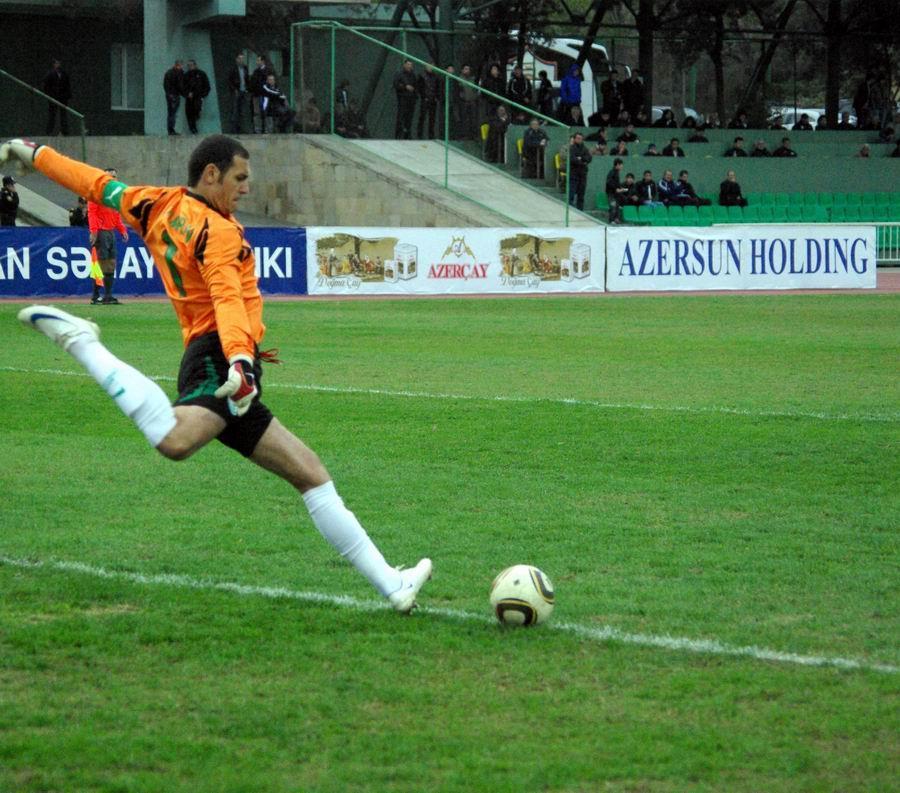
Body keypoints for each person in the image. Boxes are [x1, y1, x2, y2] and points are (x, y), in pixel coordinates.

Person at [4, 134, 433, 613]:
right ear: (211, 174)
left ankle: (392, 584)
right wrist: (241, 361)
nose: (246, 188)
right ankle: (82, 343)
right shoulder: (219, 231)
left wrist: (35, 154)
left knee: (309, 473)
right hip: (219, 359)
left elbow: (96, 185)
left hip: (212, 354)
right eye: (240, 178)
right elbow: (227, 298)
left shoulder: (156, 203)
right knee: (175, 439)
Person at [87, 167, 129, 305]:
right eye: (109, 176)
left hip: (110, 232)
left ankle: (108, 295)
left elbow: (116, 215)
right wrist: (94, 231)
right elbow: (92, 213)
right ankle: (96, 295)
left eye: (114, 176)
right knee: (100, 263)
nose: (112, 179)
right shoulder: (96, 194)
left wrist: (122, 229)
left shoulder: (114, 196)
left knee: (111, 263)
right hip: (101, 232)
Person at [42, 59, 72, 136]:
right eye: (56, 63)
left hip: (63, 98)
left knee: (63, 115)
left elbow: (67, 86)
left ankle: (65, 132)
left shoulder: (64, 74)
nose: (58, 65)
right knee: (52, 115)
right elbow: (46, 85)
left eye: (59, 63)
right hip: (53, 98)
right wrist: (49, 95)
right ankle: (49, 132)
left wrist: (67, 96)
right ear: (53, 65)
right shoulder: (50, 74)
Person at [183, 60, 211, 135]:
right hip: (189, 98)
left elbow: (207, 86)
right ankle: (192, 128)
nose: (190, 67)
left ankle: (196, 117)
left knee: (196, 109)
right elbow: (183, 87)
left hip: (198, 96)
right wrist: (187, 94)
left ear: (195, 65)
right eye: (188, 65)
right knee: (189, 113)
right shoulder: (186, 75)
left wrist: (203, 94)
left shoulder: (201, 74)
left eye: (191, 65)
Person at [567, 131, 592, 211]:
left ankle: (580, 211)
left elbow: (589, 158)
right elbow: (572, 159)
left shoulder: (585, 148)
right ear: (574, 139)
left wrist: (581, 158)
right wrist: (583, 161)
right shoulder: (571, 148)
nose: (579, 140)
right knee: (571, 194)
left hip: (583, 174)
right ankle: (570, 210)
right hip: (574, 174)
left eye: (581, 138)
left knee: (581, 195)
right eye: (578, 138)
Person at [393, 59, 417, 139]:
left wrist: (414, 95)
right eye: (408, 64)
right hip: (402, 98)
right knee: (401, 117)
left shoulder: (413, 75)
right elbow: (396, 84)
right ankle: (398, 135)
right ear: (404, 65)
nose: (409, 66)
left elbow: (416, 86)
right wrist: (405, 87)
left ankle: (407, 135)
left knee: (409, 118)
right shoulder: (399, 74)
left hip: (411, 99)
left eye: (411, 65)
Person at [227, 53, 251, 135]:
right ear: (236, 59)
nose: (241, 60)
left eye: (242, 58)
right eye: (240, 58)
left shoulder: (245, 68)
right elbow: (229, 81)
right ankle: (233, 129)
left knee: (242, 111)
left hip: (244, 91)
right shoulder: (233, 69)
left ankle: (241, 129)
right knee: (234, 111)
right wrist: (234, 89)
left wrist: (247, 88)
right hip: (236, 91)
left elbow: (247, 79)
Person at [416, 64, 442, 139]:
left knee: (432, 118)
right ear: (425, 67)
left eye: (431, 66)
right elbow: (420, 87)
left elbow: (438, 87)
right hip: (425, 99)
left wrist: (436, 97)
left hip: (433, 100)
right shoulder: (421, 75)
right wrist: (423, 96)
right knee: (422, 117)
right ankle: (419, 134)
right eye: (429, 66)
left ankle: (431, 134)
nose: (430, 68)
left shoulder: (436, 77)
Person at [163, 60, 185, 136]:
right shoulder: (176, 73)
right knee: (172, 113)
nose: (181, 67)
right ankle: (171, 129)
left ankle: (171, 129)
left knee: (172, 112)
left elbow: (166, 85)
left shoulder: (171, 73)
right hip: (174, 95)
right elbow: (179, 85)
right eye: (180, 65)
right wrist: (184, 94)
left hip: (172, 95)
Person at [250, 55, 271, 134]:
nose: (257, 62)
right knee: (257, 113)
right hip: (257, 95)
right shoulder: (256, 72)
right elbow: (252, 82)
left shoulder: (268, 71)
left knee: (267, 112)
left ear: (263, 61)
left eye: (258, 60)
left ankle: (267, 129)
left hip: (266, 95)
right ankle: (257, 129)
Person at [604, 156, 625, 222]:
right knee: (613, 207)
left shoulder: (616, 172)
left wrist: (620, 188)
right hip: (611, 194)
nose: (622, 167)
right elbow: (609, 183)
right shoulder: (612, 172)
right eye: (621, 165)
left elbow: (616, 183)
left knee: (617, 207)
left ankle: (616, 220)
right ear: (617, 164)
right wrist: (616, 189)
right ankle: (611, 221)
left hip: (616, 194)